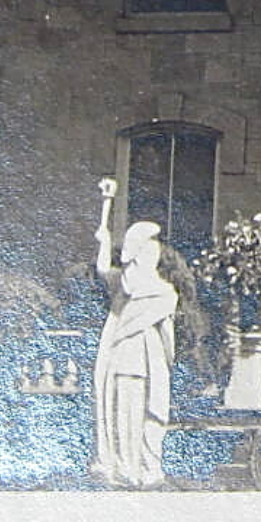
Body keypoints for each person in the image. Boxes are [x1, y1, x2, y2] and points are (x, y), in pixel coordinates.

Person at [91, 178, 179, 488]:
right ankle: (124, 467)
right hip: (123, 360)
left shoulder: (163, 293)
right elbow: (104, 270)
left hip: (145, 363)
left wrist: (164, 360)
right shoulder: (124, 286)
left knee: (143, 416)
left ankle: (143, 467)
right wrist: (104, 241)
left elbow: (167, 338)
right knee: (122, 417)